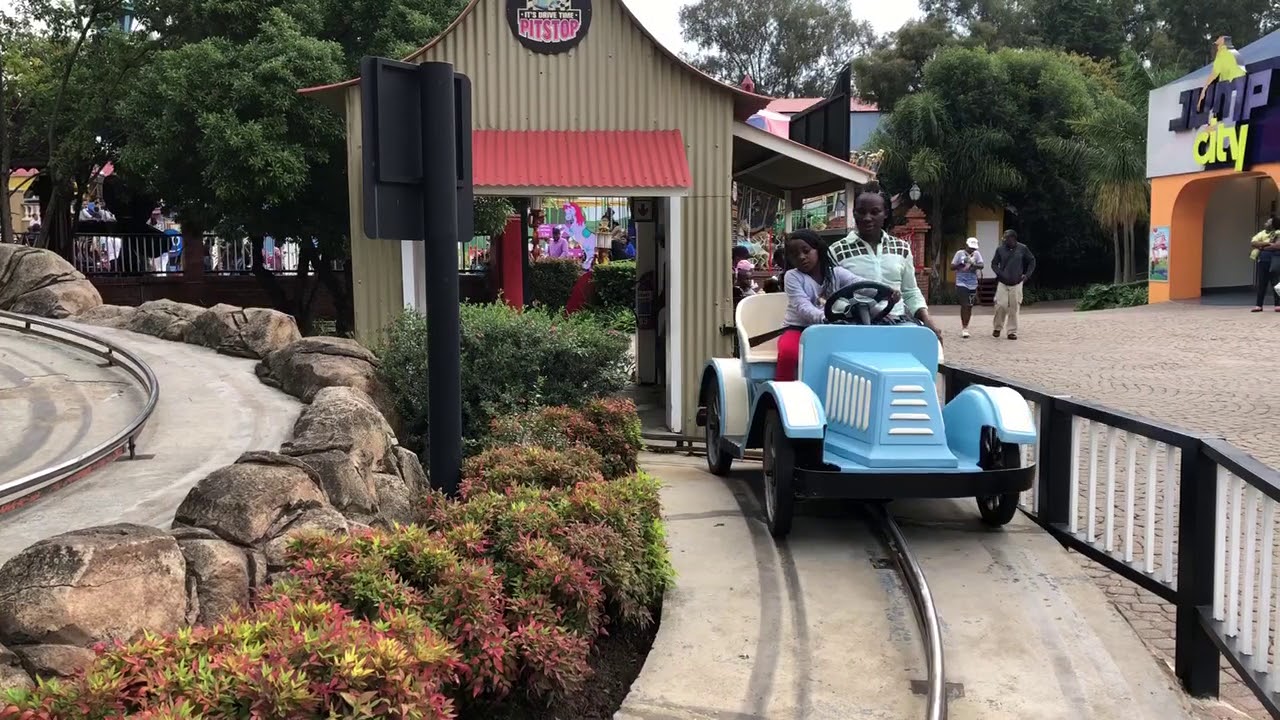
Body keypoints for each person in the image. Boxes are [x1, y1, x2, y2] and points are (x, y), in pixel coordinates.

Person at [828, 185, 943, 343]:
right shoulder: (837, 250)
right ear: (854, 213)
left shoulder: (901, 248)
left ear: (885, 214)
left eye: (875, 212)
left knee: (928, 348)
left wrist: (927, 319)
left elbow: (910, 291)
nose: (867, 218)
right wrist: (869, 312)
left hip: (897, 322)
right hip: (854, 326)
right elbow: (832, 296)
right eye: (861, 212)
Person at [775, 229, 885, 382]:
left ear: (818, 249)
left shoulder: (836, 274)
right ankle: (782, 392)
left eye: (806, 251)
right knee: (789, 353)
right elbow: (802, 306)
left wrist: (884, 292)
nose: (801, 257)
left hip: (830, 329)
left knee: (855, 353)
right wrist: (825, 317)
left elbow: (860, 285)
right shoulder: (792, 276)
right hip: (798, 328)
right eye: (794, 255)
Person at [991, 229, 1036, 340]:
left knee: (1014, 307)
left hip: (1016, 283)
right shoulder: (1000, 249)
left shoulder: (1023, 248)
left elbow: (1032, 261)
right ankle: (997, 327)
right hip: (1003, 282)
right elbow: (994, 264)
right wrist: (1000, 273)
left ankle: (1011, 331)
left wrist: (1027, 275)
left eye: (1005, 238)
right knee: (1001, 305)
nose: (1004, 240)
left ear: (1012, 238)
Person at [952, 237, 985, 338]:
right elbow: (952, 267)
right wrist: (962, 263)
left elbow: (982, 265)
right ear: (966, 245)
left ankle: (966, 325)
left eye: (974, 248)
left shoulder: (977, 254)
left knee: (970, 306)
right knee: (964, 304)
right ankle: (964, 327)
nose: (972, 250)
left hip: (972, 283)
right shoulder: (959, 253)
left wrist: (973, 264)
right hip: (961, 282)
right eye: (970, 248)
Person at [1250, 216, 1280, 312]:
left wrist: (1262, 247)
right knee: (1262, 282)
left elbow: (1277, 246)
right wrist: (1268, 244)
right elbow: (1254, 243)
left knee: (1276, 282)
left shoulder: (1278, 233)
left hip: (1275, 259)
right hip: (1263, 260)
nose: (1265, 223)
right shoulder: (1262, 233)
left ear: (1274, 224)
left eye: (1268, 222)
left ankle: (1278, 305)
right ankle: (1259, 305)